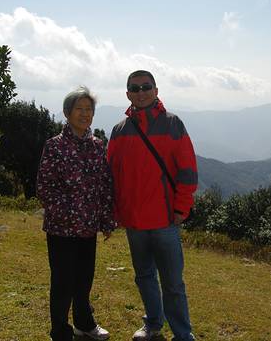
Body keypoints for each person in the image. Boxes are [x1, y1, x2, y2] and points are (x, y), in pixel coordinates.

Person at [107, 70, 198, 341]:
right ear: (128, 94)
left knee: (173, 283)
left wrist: (182, 208)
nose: (141, 92)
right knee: (144, 276)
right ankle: (153, 324)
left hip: (165, 220)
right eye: (135, 88)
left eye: (146, 87)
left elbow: (187, 170)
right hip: (134, 221)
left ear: (156, 91)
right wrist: (115, 212)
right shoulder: (119, 131)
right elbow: (111, 176)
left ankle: (183, 334)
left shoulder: (173, 124)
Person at [37, 86, 116, 341]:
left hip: (88, 227)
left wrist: (106, 220)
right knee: (62, 282)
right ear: (67, 113)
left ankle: (84, 324)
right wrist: (69, 213)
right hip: (61, 228)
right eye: (79, 109)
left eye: (88, 109)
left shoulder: (97, 146)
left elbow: (104, 185)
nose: (84, 114)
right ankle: (60, 332)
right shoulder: (54, 146)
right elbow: (45, 187)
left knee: (84, 280)